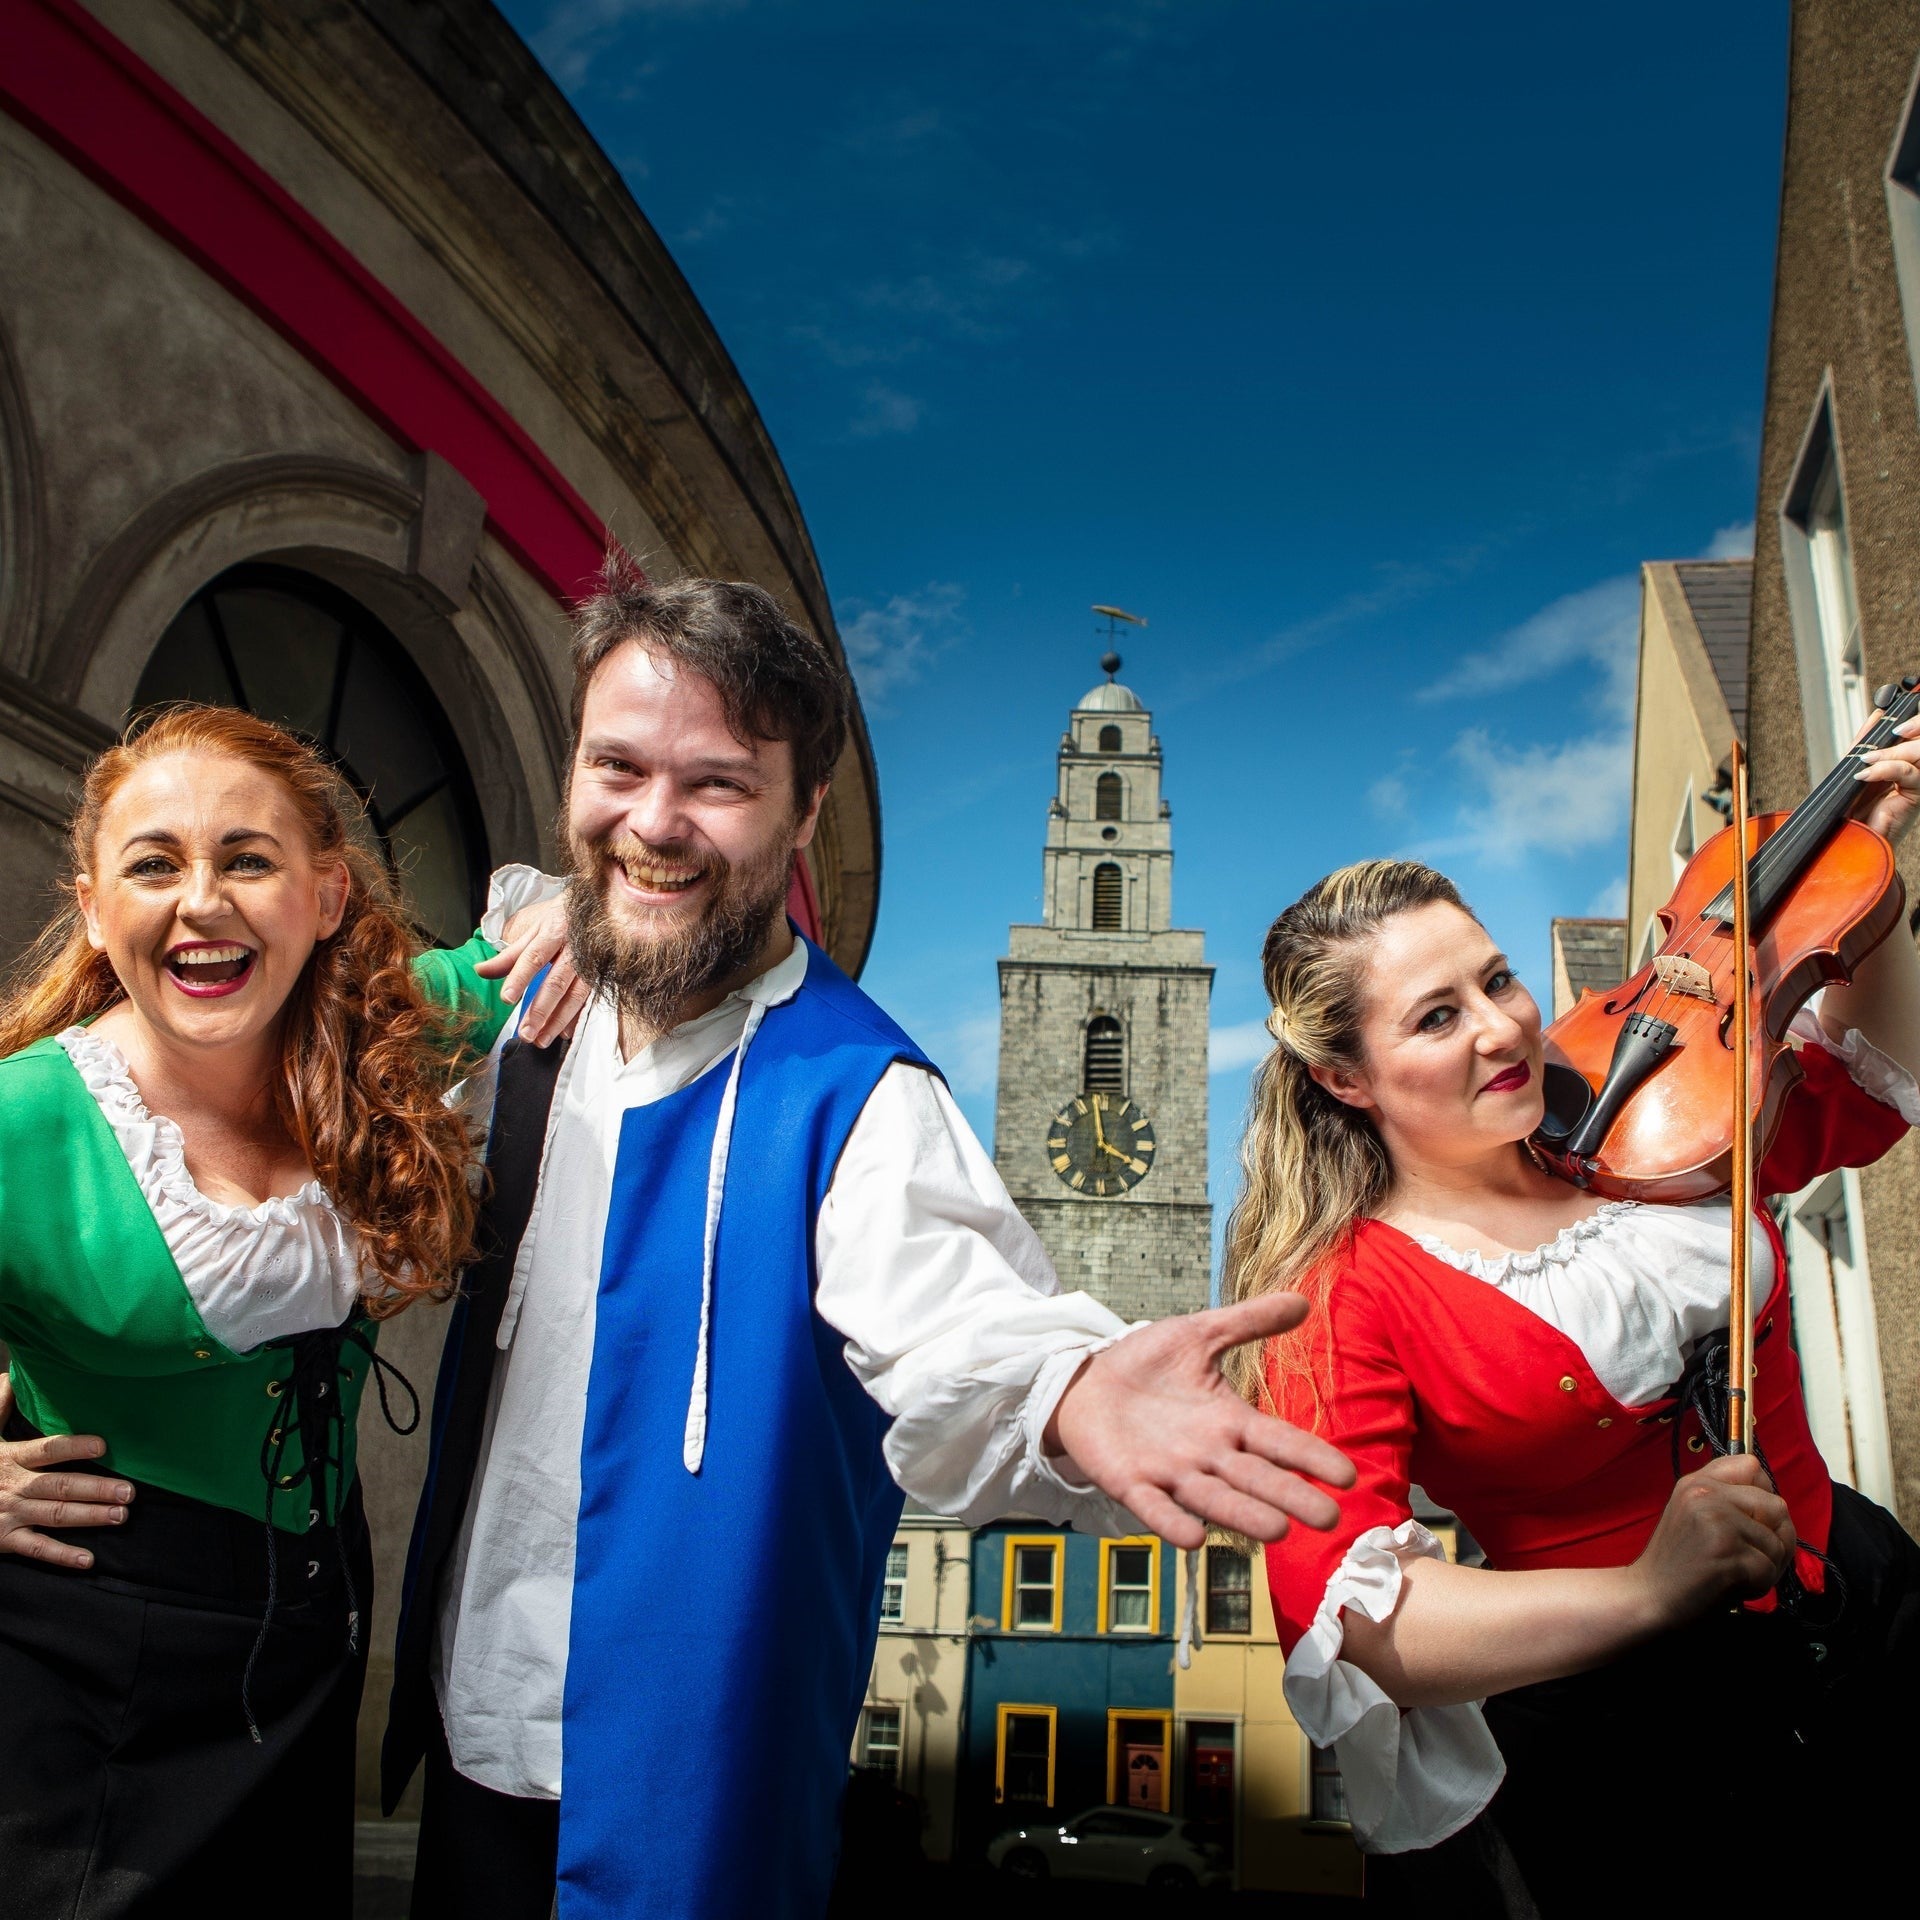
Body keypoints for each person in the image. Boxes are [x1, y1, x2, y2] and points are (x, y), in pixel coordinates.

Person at [382, 566, 1356, 1920]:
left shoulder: (861, 1097)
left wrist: (1070, 1386)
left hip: (691, 1788)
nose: (653, 822)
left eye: (717, 783)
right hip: (471, 1730)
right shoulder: (519, 1007)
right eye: (618, 767)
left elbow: (962, 1318)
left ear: (802, 814)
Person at [1229, 814, 1920, 1908]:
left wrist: (1867, 901)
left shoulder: (1638, 1109)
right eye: (1437, 1017)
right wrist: (1648, 1591)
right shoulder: (1337, 1293)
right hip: (1634, 1747)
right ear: (1345, 1076)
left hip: (1870, 1613)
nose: (1503, 1030)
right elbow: (1360, 1618)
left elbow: (1866, 1100)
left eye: (1497, 980)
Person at [0, 704, 538, 1918]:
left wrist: (563, 914)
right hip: (86, 1659)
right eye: (155, 864)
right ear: (93, 907)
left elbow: (564, 926)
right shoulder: (23, 1121)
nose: (203, 901)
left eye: (248, 858)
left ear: (328, 894)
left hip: (310, 1637)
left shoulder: (385, 1039)